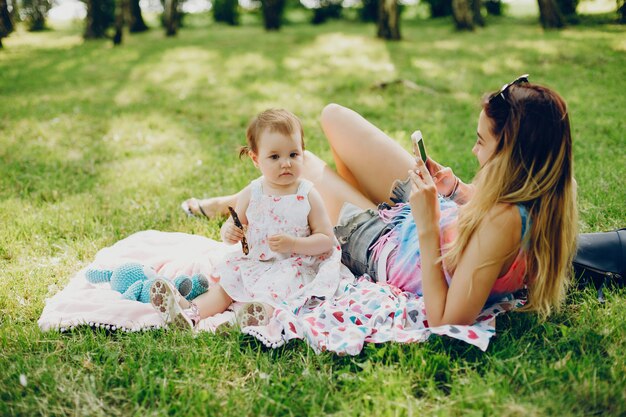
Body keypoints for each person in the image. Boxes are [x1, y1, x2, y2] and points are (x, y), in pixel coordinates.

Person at [183, 75, 578, 327]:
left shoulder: (503, 224)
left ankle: (236, 201)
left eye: (481, 142)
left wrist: (426, 226)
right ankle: (242, 198)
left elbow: (445, 320)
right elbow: (491, 211)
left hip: (382, 244)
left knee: (305, 170)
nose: (473, 151)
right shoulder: (541, 199)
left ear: (511, 156)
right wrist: (457, 190)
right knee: (334, 117)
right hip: (425, 213)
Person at [151, 109, 340, 329]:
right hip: (256, 261)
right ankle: (191, 312)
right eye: (275, 157)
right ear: (255, 159)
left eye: (293, 154)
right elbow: (235, 225)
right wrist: (229, 231)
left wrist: (295, 244)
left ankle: (241, 321)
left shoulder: (307, 194)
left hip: (293, 264)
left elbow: (326, 239)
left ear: (303, 153)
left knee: (276, 292)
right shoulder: (253, 193)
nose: (286, 163)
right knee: (227, 285)